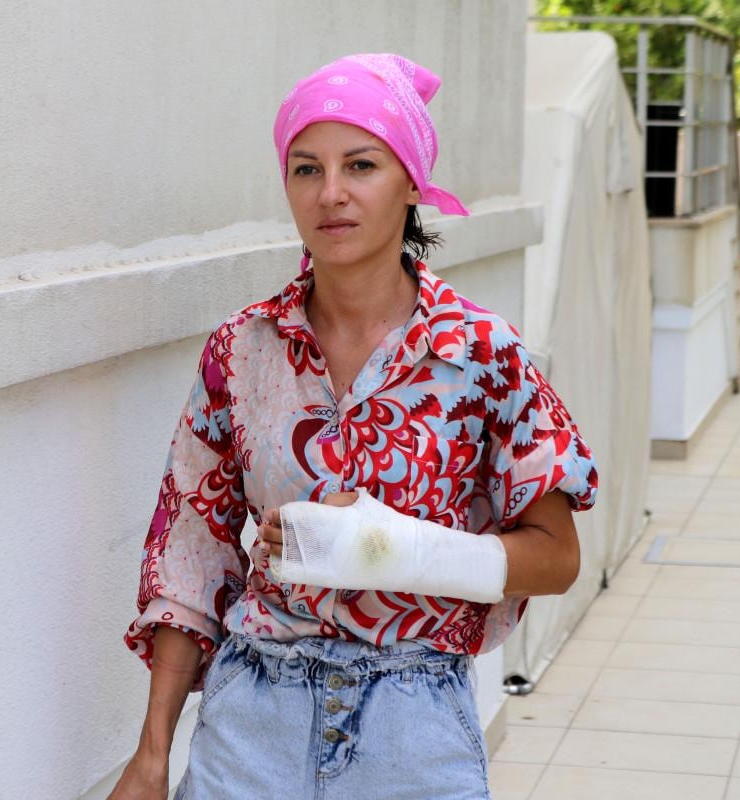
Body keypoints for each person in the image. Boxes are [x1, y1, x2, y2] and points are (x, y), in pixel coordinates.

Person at [109, 53, 598, 800]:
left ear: (412, 182)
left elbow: (557, 557)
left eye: (361, 165)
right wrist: (151, 757)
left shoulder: (481, 354)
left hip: (412, 726)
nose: (330, 193)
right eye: (306, 169)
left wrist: (389, 550)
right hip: (253, 724)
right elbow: (190, 557)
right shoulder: (242, 350)